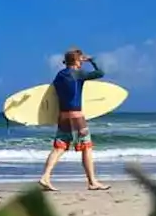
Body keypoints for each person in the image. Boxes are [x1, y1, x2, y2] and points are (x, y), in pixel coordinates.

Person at [38, 48, 110, 192]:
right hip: (77, 118)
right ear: (78, 61)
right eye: (80, 60)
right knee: (87, 148)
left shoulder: (59, 75)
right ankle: (92, 182)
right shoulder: (78, 74)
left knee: (59, 148)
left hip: (63, 117)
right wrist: (91, 60)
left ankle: (45, 177)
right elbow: (101, 73)